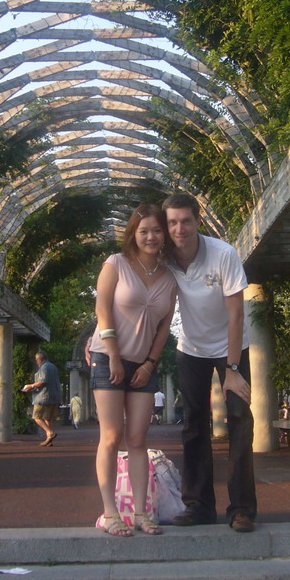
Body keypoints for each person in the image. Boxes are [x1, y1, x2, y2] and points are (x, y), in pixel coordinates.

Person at [163, 192, 257, 533]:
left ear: (198, 221)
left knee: (239, 419)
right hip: (190, 348)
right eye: (172, 222)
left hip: (232, 347)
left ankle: (242, 509)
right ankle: (198, 505)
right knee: (193, 425)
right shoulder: (164, 257)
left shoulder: (223, 254)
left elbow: (236, 315)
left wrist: (232, 371)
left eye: (185, 220)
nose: (179, 228)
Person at [89, 203, 177, 537]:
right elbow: (102, 308)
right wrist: (112, 355)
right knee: (111, 437)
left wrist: (150, 362)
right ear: (133, 234)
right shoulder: (116, 264)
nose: (151, 237)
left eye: (157, 230)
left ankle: (142, 513)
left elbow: (164, 326)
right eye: (144, 231)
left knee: (138, 439)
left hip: (143, 364)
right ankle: (111, 513)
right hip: (107, 357)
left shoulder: (169, 277)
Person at [22, 351, 61, 446]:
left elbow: (42, 381)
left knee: (37, 416)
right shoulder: (53, 366)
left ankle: (50, 433)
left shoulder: (44, 367)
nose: (36, 362)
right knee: (48, 418)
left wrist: (30, 386)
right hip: (54, 396)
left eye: (36, 360)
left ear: (39, 359)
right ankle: (49, 439)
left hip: (43, 397)